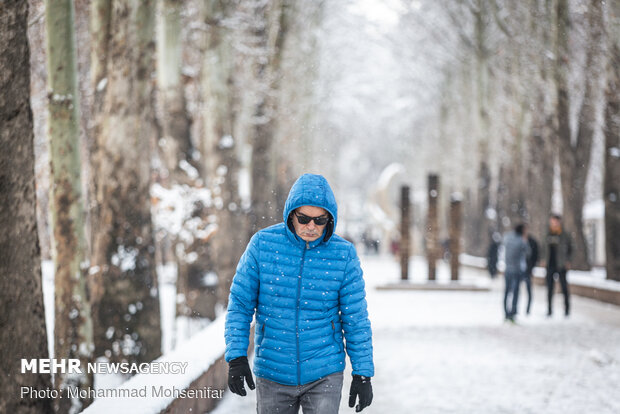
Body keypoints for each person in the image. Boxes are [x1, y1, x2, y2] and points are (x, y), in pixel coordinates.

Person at [224, 173, 374, 414]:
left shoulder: (343, 254)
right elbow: (240, 305)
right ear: (291, 215)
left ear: (330, 220)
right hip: (273, 370)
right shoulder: (262, 245)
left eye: (320, 220)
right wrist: (236, 356)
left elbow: (355, 318)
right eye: (303, 218)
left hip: (324, 372)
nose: (311, 227)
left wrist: (363, 373)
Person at [545, 214, 572, 317]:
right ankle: (549, 309)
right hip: (550, 265)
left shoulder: (564, 235)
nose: (554, 223)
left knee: (564, 288)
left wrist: (568, 260)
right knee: (549, 288)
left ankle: (567, 309)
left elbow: (571, 248)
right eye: (552, 221)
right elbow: (544, 248)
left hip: (561, 265)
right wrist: (544, 259)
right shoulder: (547, 234)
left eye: (556, 221)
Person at [503, 224, 529, 322]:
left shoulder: (507, 237)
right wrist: (525, 240)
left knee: (506, 292)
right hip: (517, 270)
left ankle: (506, 313)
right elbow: (528, 252)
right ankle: (513, 313)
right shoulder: (521, 241)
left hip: (507, 269)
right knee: (515, 293)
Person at [522, 225, 539, 315]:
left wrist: (532, 266)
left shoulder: (532, 242)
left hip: (528, 269)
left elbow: (535, 255)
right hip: (519, 270)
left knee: (529, 291)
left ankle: (528, 309)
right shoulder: (517, 240)